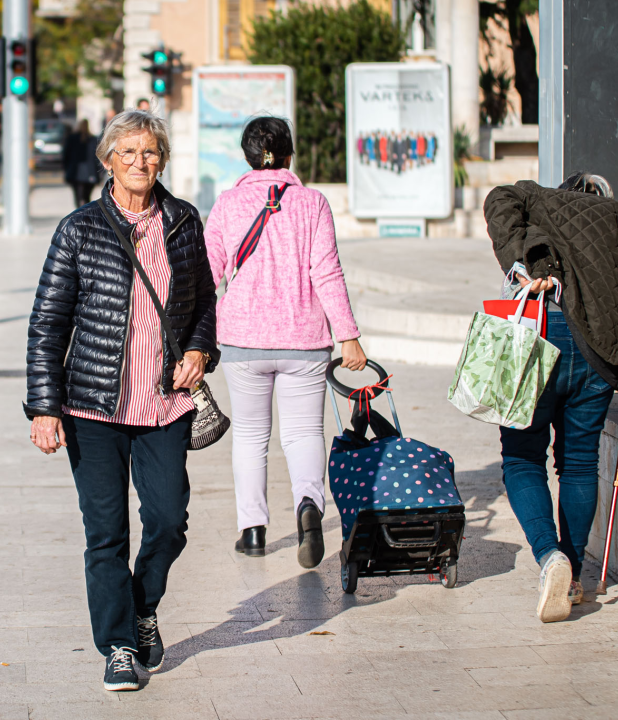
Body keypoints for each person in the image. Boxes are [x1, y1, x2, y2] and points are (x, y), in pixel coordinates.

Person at [26, 110, 218, 691]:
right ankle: (116, 645)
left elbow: (206, 299)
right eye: (128, 152)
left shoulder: (184, 221)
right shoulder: (78, 230)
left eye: (151, 152)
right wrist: (43, 406)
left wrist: (200, 351)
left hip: (165, 403)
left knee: (168, 520)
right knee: (105, 533)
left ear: (163, 158)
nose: (140, 162)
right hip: (93, 407)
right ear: (108, 159)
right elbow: (47, 324)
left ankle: (142, 607)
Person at [484, 172, 618, 623]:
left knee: (521, 458)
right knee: (579, 462)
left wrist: (523, 261)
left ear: (564, 193)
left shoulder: (539, 200)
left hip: (540, 331)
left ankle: (551, 557)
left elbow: (499, 199)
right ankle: (572, 579)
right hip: (596, 351)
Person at [204, 116, 367, 567]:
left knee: (252, 435)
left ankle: (252, 530)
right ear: (290, 155)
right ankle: (308, 510)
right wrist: (348, 335)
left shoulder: (228, 203)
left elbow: (208, 274)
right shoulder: (313, 203)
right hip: (305, 340)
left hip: (241, 339)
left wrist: (189, 334)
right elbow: (326, 271)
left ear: (247, 157)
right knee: (302, 433)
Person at [63, 119, 100, 208]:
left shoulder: (72, 138)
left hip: (75, 173)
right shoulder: (93, 139)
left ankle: (79, 215)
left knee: (78, 197)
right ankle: (86, 215)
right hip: (90, 173)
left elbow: (66, 155)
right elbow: (96, 158)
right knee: (87, 198)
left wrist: (66, 168)